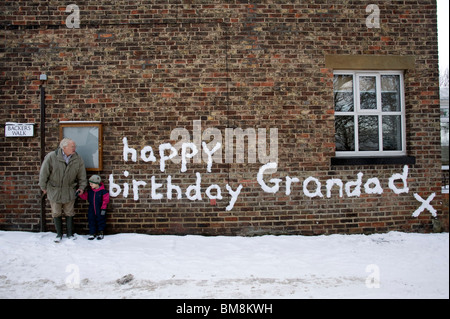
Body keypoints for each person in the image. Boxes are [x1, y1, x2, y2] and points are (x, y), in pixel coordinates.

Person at [39, 138, 87, 242]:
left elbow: (82, 175)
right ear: (64, 147)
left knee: (69, 212)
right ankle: (59, 234)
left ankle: (69, 234)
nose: (74, 148)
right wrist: (43, 187)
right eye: (72, 146)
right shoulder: (52, 157)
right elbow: (44, 173)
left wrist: (82, 187)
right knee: (56, 212)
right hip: (54, 190)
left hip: (69, 190)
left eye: (74, 146)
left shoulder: (77, 158)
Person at [79, 174, 110, 240]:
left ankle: (100, 232)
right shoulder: (90, 192)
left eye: (92, 183)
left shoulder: (103, 192)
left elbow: (105, 200)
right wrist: (80, 194)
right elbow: (85, 197)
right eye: (90, 183)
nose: (90, 185)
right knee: (91, 220)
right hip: (91, 209)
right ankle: (92, 233)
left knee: (100, 220)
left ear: (97, 184)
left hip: (100, 209)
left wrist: (103, 208)